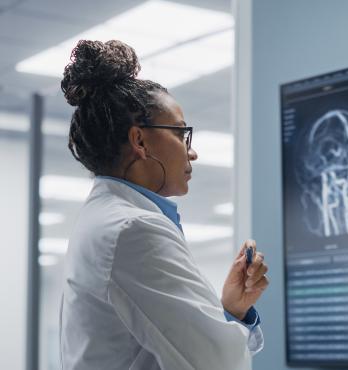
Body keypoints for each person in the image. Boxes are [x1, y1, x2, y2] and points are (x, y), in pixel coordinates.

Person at [59, 40, 269, 370]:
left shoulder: (106, 218)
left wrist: (231, 310)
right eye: (181, 134)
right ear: (139, 141)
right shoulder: (132, 229)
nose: (192, 152)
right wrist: (229, 328)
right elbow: (218, 364)